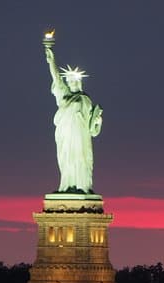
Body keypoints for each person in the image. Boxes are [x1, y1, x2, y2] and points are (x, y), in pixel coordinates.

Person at [45, 44, 103, 193]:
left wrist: (98, 121)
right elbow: (57, 78)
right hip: (65, 134)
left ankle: (82, 187)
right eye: (69, 81)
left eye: (74, 81)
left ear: (79, 82)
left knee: (81, 158)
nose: (71, 83)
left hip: (80, 136)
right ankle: (67, 185)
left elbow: (92, 129)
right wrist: (51, 61)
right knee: (66, 160)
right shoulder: (64, 96)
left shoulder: (85, 100)